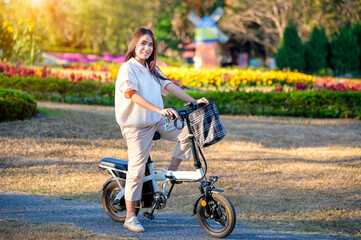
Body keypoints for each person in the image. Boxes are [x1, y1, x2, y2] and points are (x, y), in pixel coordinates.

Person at [115, 27, 208, 233]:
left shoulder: (152, 69)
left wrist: (194, 101)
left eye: (150, 45)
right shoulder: (128, 68)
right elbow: (132, 94)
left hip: (157, 120)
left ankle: (171, 175)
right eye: (143, 44)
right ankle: (130, 217)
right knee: (137, 169)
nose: (147, 48)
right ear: (134, 45)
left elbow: (169, 86)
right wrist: (159, 109)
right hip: (136, 126)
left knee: (187, 132)